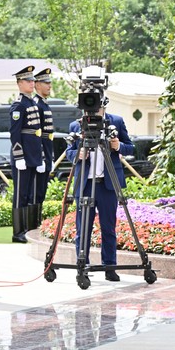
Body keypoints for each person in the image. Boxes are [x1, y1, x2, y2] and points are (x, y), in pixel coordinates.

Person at [65, 104, 135, 282]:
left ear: (103, 105)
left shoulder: (116, 122)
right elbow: (68, 152)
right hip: (85, 184)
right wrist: (77, 154)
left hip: (108, 184)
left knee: (108, 228)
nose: (94, 112)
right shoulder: (77, 125)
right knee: (83, 229)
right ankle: (83, 266)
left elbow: (131, 147)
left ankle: (110, 266)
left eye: (97, 107)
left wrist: (118, 146)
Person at [9, 65, 44, 243]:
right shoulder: (19, 105)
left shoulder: (31, 103)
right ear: (20, 83)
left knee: (30, 194)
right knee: (20, 194)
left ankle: (29, 229)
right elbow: (15, 133)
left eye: (32, 80)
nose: (32, 83)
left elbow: (36, 132)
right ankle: (18, 232)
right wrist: (18, 156)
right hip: (22, 156)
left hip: (33, 155)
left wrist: (40, 156)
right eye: (28, 81)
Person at [32, 67, 55, 224]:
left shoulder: (44, 104)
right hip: (39, 157)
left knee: (41, 192)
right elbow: (37, 135)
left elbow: (48, 136)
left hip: (46, 155)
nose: (49, 85)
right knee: (36, 192)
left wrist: (50, 157)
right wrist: (40, 157)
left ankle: (38, 221)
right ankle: (33, 222)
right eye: (45, 82)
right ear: (37, 85)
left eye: (49, 82)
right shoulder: (36, 105)